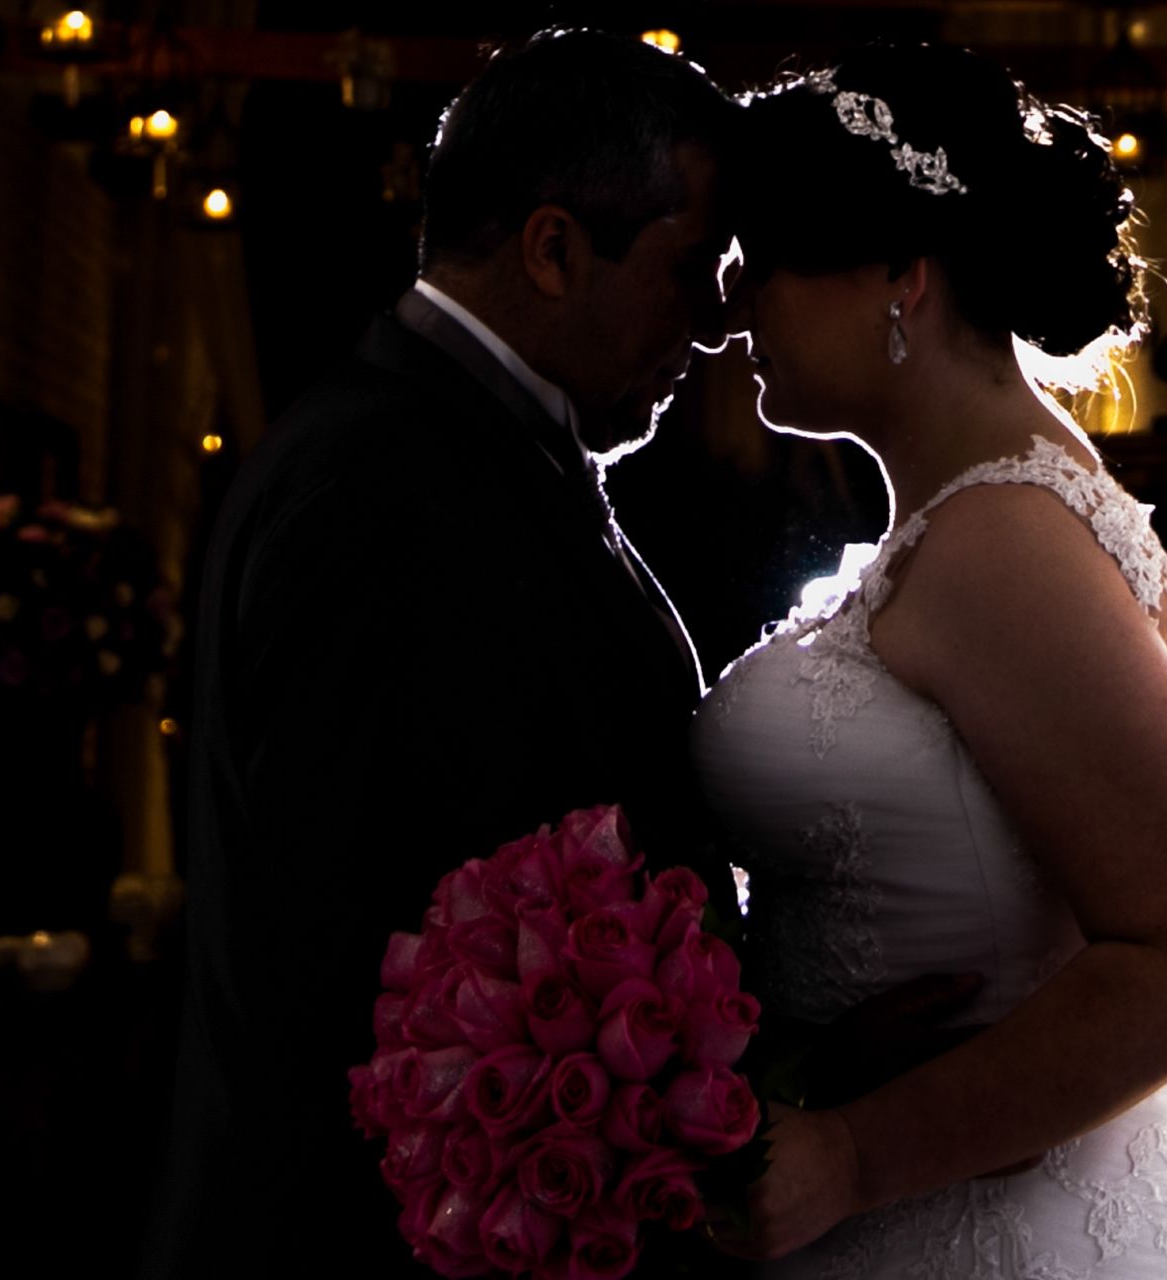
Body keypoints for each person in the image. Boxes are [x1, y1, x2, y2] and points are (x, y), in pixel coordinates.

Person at [137, 29, 744, 1277]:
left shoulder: (456, 444)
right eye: (690, 271)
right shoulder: (375, 485)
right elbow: (346, 939)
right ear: (553, 248)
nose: (709, 329)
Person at [693, 42, 1167, 1277]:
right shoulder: (974, 515)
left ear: (903, 275)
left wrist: (854, 1153)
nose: (733, 311)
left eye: (764, 260)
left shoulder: (1003, 540)